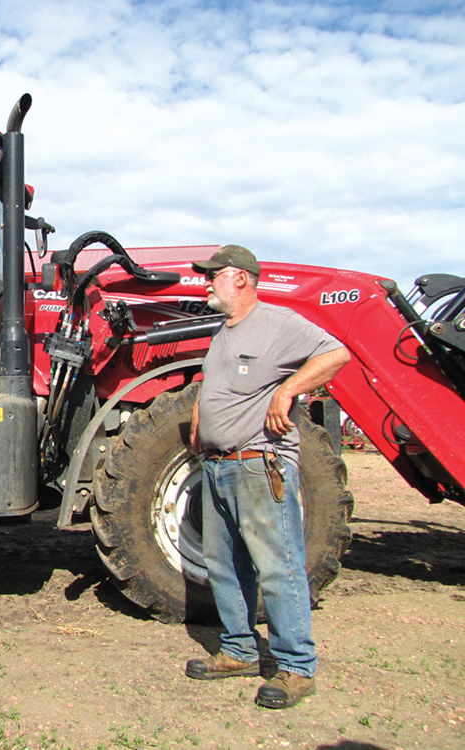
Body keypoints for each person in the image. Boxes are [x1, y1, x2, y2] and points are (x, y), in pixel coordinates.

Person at [185, 245, 350, 709]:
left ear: (240, 278)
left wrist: (288, 390)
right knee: (224, 566)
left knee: (277, 567)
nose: (206, 283)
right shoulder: (223, 331)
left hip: (259, 464)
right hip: (217, 467)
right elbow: (215, 385)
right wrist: (200, 418)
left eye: (213, 276)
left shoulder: (277, 323)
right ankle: (239, 651)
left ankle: (296, 667)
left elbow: (336, 354)